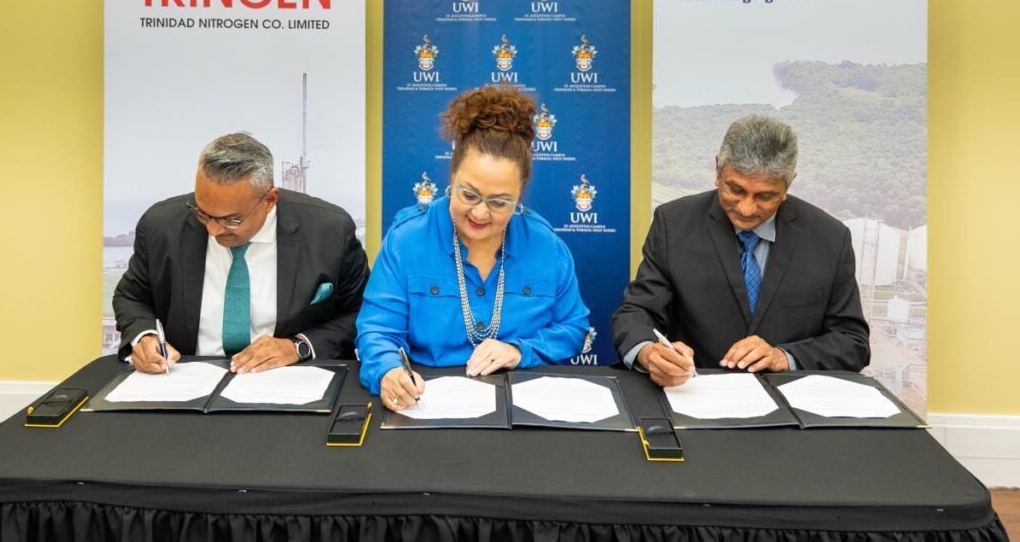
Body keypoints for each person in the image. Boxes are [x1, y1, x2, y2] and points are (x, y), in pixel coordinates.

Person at [356, 86, 590, 409]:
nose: (480, 213)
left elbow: (574, 327)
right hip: (426, 405)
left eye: (499, 202)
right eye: (468, 195)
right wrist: (389, 372)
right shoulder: (406, 242)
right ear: (452, 176)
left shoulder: (547, 248)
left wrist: (520, 350)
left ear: (519, 197)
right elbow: (377, 331)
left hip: (520, 410)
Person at [612, 114, 870, 387]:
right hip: (693, 396)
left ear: (788, 184)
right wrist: (649, 352)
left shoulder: (829, 238)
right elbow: (636, 313)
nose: (746, 209)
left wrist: (784, 356)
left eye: (765, 196)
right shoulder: (673, 224)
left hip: (789, 410)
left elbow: (852, 342)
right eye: (735, 189)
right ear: (717, 170)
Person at [114, 132, 369, 374]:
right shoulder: (162, 226)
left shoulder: (328, 232)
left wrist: (298, 346)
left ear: (269, 200)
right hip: (185, 379)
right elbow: (131, 297)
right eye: (203, 213)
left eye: (231, 220)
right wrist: (144, 336)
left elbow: (363, 312)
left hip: (290, 379)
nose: (213, 230)